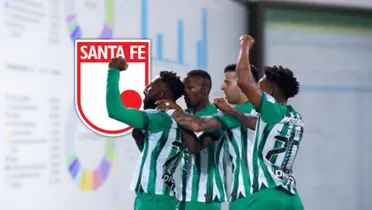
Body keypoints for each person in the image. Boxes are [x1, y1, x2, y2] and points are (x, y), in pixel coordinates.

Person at [167, 64, 261, 210]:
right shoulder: (266, 112)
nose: (222, 87)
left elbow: (196, 135)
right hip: (186, 194)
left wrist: (175, 112)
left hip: (208, 196)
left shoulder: (225, 116)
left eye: (227, 82)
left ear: (243, 84)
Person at [105, 57, 192, 210]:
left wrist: (113, 71)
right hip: (163, 198)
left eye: (151, 85)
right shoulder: (178, 119)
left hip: (153, 200)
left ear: (162, 94)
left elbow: (115, 111)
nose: (146, 88)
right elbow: (161, 157)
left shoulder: (160, 118)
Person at [234, 35, 304, 210]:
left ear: (271, 94)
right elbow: (257, 123)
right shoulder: (295, 117)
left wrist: (245, 46)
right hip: (291, 198)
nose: (255, 90)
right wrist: (235, 113)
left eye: (259, 88)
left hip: (265, 196)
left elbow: (243, 80)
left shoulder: (271, 110)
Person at [158, 70, 226, 210]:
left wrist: (179, 117)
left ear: (205, 90)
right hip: (182, 196)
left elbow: (195, 147)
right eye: (184, 88)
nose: (185, 93)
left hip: (204, 198)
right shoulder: (184, 115)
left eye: (190, 88)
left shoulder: (215, 117)